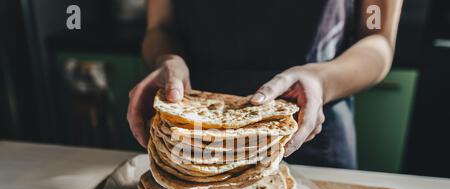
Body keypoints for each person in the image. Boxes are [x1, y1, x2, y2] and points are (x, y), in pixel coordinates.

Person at [127, 0, 403, 169]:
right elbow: (160, 27)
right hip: (194, 128)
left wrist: (321, 79)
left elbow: (378, 38)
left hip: (310, 124)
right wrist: (168, 58)